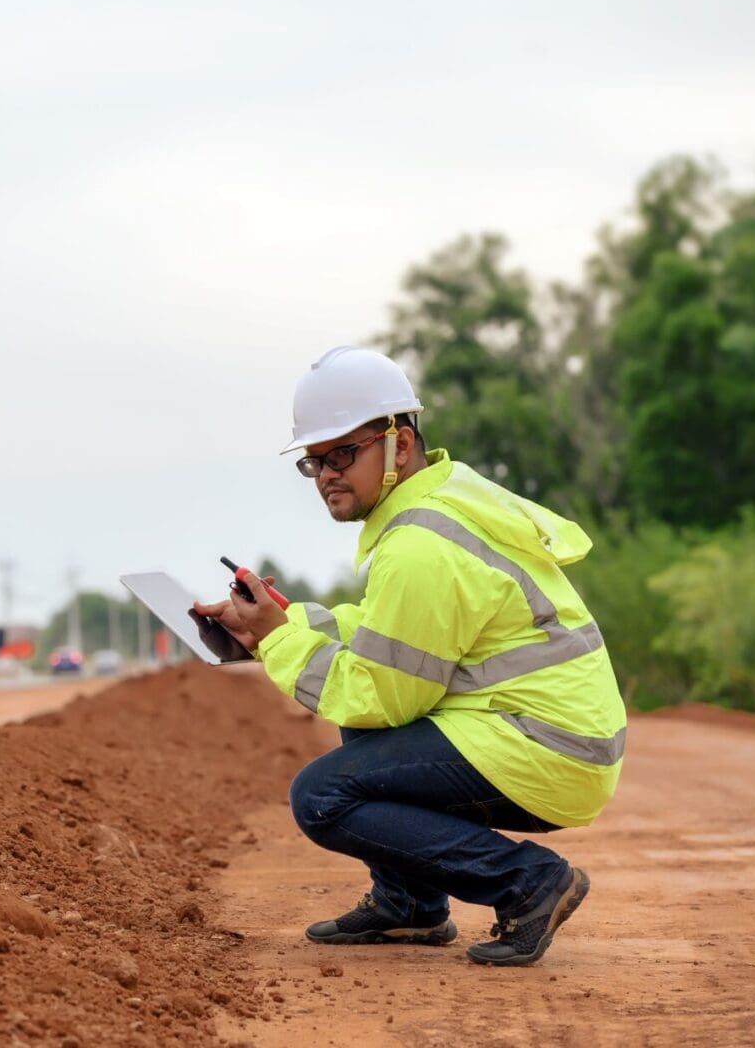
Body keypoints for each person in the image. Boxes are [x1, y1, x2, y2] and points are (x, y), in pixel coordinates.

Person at [193, 345, 625, 967]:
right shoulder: (440, 503)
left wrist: (280, 642)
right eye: (314, 462)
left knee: (321, 797)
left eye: (343, 454)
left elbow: (379, 695)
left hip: (547, 746)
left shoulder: (419, 545)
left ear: (400, 441)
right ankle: (411, 907)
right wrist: (277, 623)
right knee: (364, 720)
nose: (327, 475)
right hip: (552, 732)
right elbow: (385, 634)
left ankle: (528, 883)